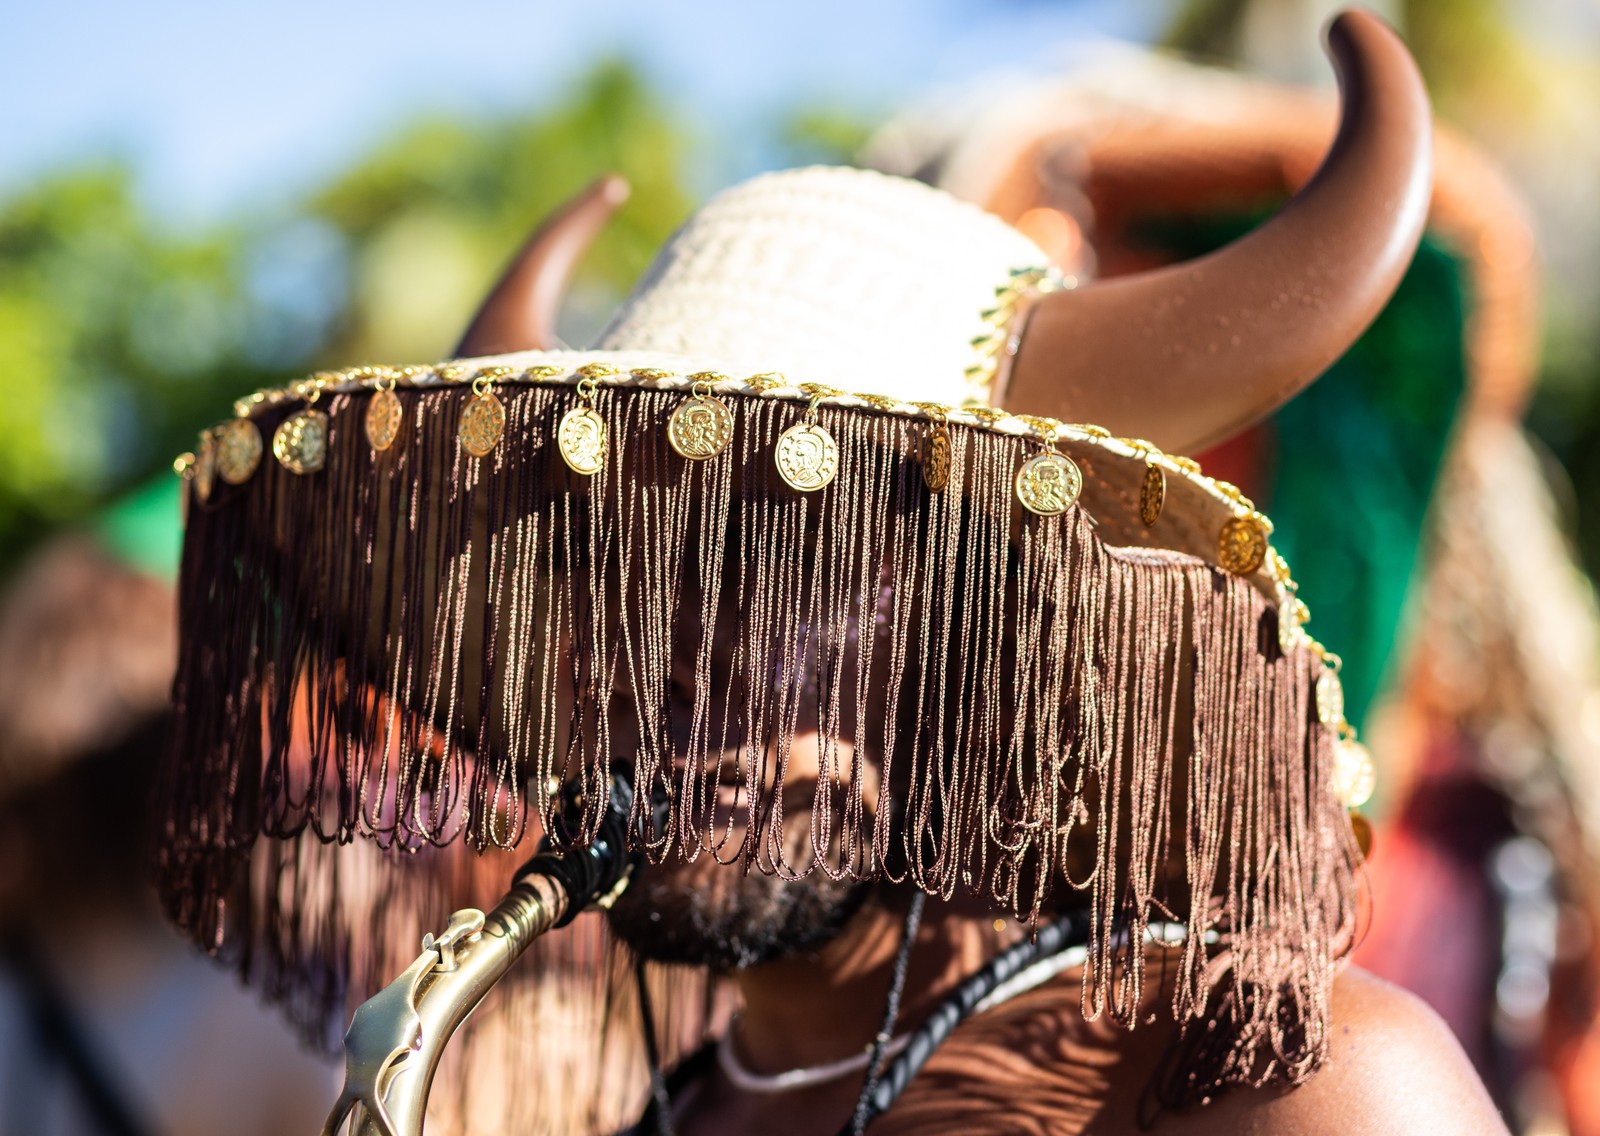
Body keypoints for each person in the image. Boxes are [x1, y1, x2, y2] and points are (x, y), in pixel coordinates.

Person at [155, 11, 1506, 1134]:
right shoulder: (667, 1117)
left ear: (1000, 640)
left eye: (789, 573)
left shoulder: (1286, 1093)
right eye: (611, 583)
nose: (661, 673)